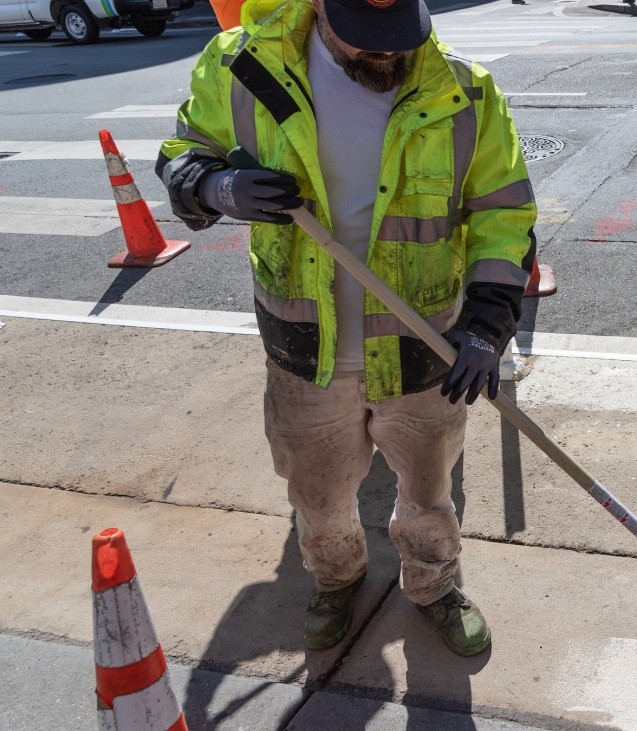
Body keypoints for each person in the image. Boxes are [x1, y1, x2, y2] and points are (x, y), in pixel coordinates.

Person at [156, 0, 537, 657]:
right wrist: (216, 187)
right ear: (321, 10)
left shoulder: (465, 94)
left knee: (427, 490)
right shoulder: (244, 70)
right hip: (307, 355)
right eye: (366, 42)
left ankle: (433, 582)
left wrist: (486, 326)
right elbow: (185, 153)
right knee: (319, 494)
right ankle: (336, 579)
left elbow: (503, 212)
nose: (387, 56)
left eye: (397, 39)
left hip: (424, 353)